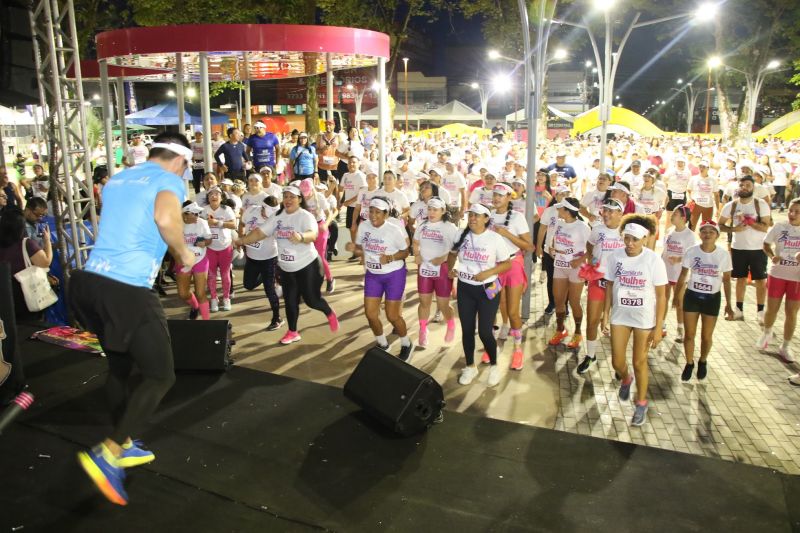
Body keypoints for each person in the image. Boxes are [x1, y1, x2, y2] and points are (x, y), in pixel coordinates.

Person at [69, 132, 196, 505]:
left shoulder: (120, 177)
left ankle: (123, 441)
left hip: (90, 282)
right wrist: (184, 254)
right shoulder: (169, 179)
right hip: (127, 289)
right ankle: (108, 455)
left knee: (120, 368)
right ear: (180, 161)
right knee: (161, 376)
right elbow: (164, 218)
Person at [234, 185, 339, 345]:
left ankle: (329, 313)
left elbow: (313, 234)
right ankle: (292, 332)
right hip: (287, 268)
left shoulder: (305, 216)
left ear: (299, 199)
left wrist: (301, 236)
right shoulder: (277, 217)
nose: (288, 200)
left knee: (312, 300)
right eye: (286, 196)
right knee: (290, 301)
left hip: (308, 266)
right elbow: (259, 233)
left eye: (292, 197)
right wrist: (242, 240)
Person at [601, 215, 667, 427]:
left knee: (640, 362)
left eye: (635, 240)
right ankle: (626, 379)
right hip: (620, 315)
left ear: (645, 239)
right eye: (627, 238)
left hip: (643, 318)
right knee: (617, 362)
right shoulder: (615, 257)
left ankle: (641, 402)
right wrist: (605, 315)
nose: (630, 243)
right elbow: (610, 286)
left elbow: (662, 296)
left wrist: (659, 327)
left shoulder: (653, 260)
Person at [449, 204, 511, 387]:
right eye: (471, 215)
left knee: (485, 331)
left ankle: (494, 366)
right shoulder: (461, 234)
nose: (473, 218)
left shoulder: (495, 238)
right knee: (467, 330)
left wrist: (488, 272)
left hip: (488, 288)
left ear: (486, 218)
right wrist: (451, 268)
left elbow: (507, 264)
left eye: (477, 215)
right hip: (465, 288)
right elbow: (451, 255)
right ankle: (470, 366)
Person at [349, 197, 414, 361]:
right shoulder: (364, 226)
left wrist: (391, 257)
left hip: (394, 275)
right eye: (371, 211)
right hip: (373, 275)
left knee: (392, 316)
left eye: (378, 212)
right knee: (370, 314)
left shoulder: (394, 229)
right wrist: (355, 249)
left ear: (386, 214)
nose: (373, 215)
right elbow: (360, 248)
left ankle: (406, 343)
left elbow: (406, 252)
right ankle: (383, 343)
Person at [675, 220, 734, 382]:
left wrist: (729, 304)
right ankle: (688, 362)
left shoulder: (723, 255)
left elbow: (727, 280)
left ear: (717, 235)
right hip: (692, 295)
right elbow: (683, 274)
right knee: (689, 334)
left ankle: (702, 360)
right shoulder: (691, 251)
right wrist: (675, 295)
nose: (707, 234)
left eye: (711, 232)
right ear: (700, 234)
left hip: (712, 298)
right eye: (704, 231)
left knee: (706, 337)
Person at [577, 198, 626, 374]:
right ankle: (590, 355)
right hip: (599, 281)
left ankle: (620, 364)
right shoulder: (597, 230)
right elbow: (589, 245)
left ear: (621, 213)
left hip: (621, 286)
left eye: (610, 211)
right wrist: (592, 259)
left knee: (618, 325)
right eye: (604, 210)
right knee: (592, 321)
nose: (605, 214)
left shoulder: (626, 231)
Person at [489, 183, 534, 370]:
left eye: (501, 195)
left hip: (513, 265)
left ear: (509, 197)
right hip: (492, 267)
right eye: (495, 194)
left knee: (514, 311)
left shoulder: (517, 217)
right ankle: (491, 346)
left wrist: (507, 234)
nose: (497, 198)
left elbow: (529, 246)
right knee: (492, 309)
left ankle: (517, 349)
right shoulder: (488, 216)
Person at [718, 175, 771, 323]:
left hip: (758, 249)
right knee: (740, 279)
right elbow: (719, 225)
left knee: (760, 281)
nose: (744, 187)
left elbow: (765, 226)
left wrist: (749, 222)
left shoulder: (761, 204)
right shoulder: (731, 206)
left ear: (753, 187)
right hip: (738, 248)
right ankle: (739, 310)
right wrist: (734, 228)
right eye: (742, 185)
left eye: (748, 185)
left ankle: (760, 312)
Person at [758, 198, 800, 368]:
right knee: (771, 308)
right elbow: (766, 244)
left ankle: (785, 345)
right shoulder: (779, 227)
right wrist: (771, 256)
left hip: (797, 278)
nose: (792, 214)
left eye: (797, 212)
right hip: (777, 274)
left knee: (791, 312)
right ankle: (767, 333)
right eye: (791, 210)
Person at [413, 197, 459, 347]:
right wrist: (417, 254)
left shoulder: (450, 227)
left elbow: (457, 249)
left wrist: (443, 258)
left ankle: (451, 325)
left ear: (443, 211)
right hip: (425, 268)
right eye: (430, 209)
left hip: (443, 269)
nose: (431, 213)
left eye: (435, 210)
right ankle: (422, 330)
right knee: (424, 302)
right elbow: (415, 242)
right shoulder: (422, 225)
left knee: (443, 304)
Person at [547, 197, 591, 350]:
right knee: (558, 300)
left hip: (575, 268)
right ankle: (561, 330)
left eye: (561, 208)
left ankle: (578, 332)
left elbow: (592, 248)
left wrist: (579, 261)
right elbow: (555, 241)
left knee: (574, 302)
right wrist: (553, 249)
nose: (558, 210)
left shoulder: (583, 227)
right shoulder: (559, 223)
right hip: (559, 265)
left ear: (567, 211)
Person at [0, 206, 53, 318]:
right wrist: (47, 241)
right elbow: (46, 262)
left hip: (5, 295)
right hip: (27, 293)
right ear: (21, 227)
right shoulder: (26, 243)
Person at [240, 195, 283, 331]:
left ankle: (277, 318)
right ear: (262, 207)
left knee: (269, 290)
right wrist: (242, 236)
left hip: (269, 258)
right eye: (267, 214)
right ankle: (270, 279)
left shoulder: (278, 218)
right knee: (248, 285)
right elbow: (241, 223)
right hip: (252, 257)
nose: (268, 217)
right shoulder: (251, 210)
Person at [661, 205, 698, 340]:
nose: (672, 216)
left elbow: (692, 256)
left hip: (679, 273)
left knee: (679, 301)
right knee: (663, 299)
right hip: (666, 271)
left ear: (683, 218)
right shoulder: (670, 231)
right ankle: (661, 325)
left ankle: (680, 328)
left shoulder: (689, 235)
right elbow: (664, 251)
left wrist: (679, 259)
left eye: (675, 214)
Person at [202, 187, 237, 312]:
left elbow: (234, 225)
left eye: (217, 194)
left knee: (225, 274)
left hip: (225, 246)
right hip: (210, 248)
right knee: (211, 275)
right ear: (208, 197)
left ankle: (226, 298)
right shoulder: (203, 210)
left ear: (221, 197)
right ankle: (213, 298)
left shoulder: (226, 209)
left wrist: (218, 223)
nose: (214, 196)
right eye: (211, 194)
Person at [298, 178, 336, 294]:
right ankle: (307, 284)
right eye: (303, 194)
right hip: (307, 229)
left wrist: (326, 225)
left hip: (320, 227)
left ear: (312, 189)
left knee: (319, 256)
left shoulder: (319, 197)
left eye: (307, 193)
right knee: (305, 256)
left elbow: (330, 214)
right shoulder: (300, 199)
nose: (306, 196)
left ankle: (330, 279)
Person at [536, 186, 570, 314]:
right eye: (562, 194)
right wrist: (539, 246)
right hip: (549, 251)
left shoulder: (571, 211)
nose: (564, 196)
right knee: (551, 279)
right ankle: (552, 303)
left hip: (565, 253)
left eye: (567, 193)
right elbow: (542, 229)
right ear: (556, 197)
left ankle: (565, 305)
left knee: (565, 280)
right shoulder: (549, 211)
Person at [176, 202, 211, 321]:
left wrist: (205, 243)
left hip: (200, 259)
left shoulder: (202, 222)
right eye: (195, 213)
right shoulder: (176, 225)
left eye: (198, 213)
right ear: (185, 214)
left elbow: (209, 239)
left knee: (200, 293)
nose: (198, 216)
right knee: (183, 293)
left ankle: (207, 323)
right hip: (183, 261)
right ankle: (195, 307)